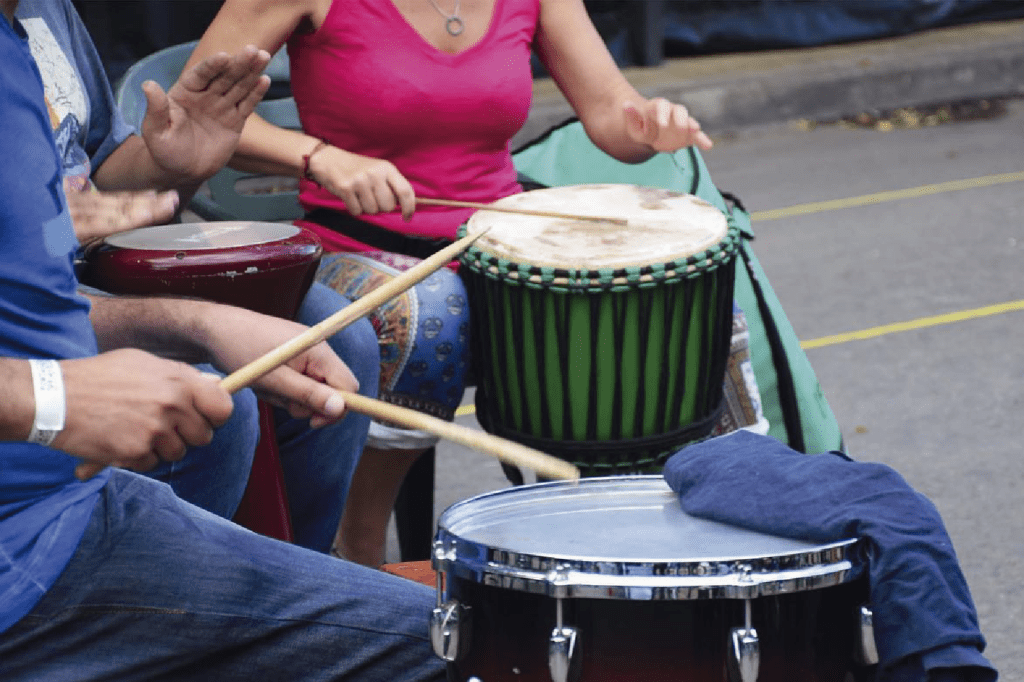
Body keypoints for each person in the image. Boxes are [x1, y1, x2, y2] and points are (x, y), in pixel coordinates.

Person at [184, 0, 765, 567]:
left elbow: (612, 111)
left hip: (497, 246)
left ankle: (717, 545)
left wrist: (648, 124)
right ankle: (357, 551)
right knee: (430, 312)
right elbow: (193, 114)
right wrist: (318, 156)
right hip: (353, 247)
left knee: (684, 304)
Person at [0, 8, 445, 679]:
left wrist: (198, 319)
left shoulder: (24, 35)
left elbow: (41, 271)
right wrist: (52, 395)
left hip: (65, 512)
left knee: (327, 341)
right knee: (451, 643)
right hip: (28, 556)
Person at [16, 0, 384, 554]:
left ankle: (294, 564)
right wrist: (46, 231)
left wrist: (173, 165)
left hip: (95, 267)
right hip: (29, 306)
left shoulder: (47, 9)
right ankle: (165, 593)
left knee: (339, 337)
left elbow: (97, 173)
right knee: (211, 403)